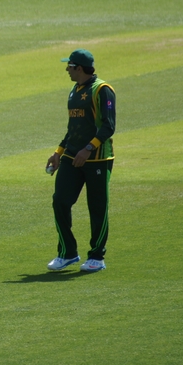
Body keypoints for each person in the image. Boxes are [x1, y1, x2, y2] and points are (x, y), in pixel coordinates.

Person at [45, 49, 116, 272]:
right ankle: (67, 253)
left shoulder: (102, 90)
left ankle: (97, 256)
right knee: (60, 201)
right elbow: (72, 129)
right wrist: (58, 152)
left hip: (97, 158)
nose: (66, 69)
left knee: (97, 208)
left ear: (79, 68)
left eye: (70, 66)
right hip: (71, 156)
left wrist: (88, 149)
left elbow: (108, 126)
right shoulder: (74, 91)